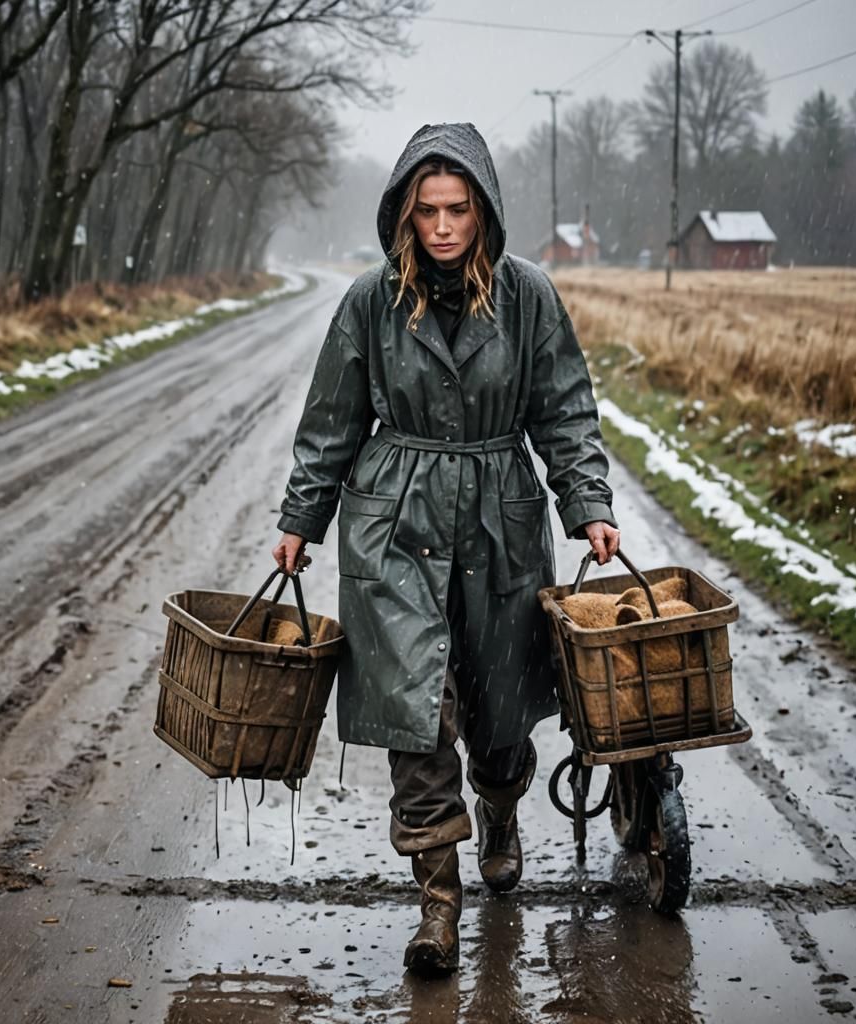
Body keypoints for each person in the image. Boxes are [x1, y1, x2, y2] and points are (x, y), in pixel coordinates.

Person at [272, 122, 620, 976]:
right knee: (415, 711)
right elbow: (331, 424)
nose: (440, 226)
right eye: (425, 210)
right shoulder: (370, 302)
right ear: (403, 213)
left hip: (499, 516)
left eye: (456, 209)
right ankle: (438, 902)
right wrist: (299, 518)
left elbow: (566, 410)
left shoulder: (528, 296)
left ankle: (500, 811)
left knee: (501, 711)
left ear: (483, 210)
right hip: (396, 522)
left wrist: (588, 504)